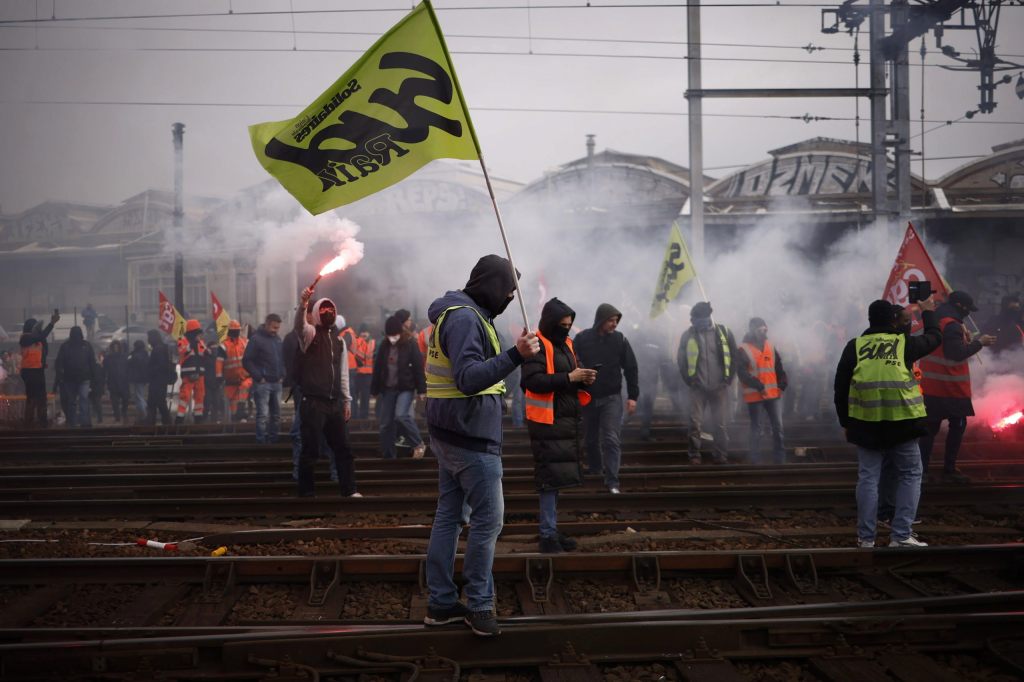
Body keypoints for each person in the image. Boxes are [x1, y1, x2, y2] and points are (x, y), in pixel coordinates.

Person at [423, 254, 539, 637]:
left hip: (453, 433)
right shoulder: (464, 319)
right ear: (491, 285)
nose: (509, 296)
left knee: (450, 517)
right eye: (508, 289)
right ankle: (479, 604)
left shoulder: (463, 314)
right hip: (469, 438)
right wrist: (515, 356)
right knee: (489, 521)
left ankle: (441, 604)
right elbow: (469, 378)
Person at [834, 298, 942, 549]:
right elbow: (935, 338)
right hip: (902, 424)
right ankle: (901, 535)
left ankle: (866, 538)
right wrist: (928, 313)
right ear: (893, 320)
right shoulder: (904, 343)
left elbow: (840, 388)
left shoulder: (855, 346)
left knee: (868, 478)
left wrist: (845, 422)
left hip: (866, 424)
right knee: (910, 474)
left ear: (869, 319)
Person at [521, 298, 596, 553]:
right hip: (546, 421)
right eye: (563, 324)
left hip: (563, 420)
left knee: (556, 479)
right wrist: (570, 377)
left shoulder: (567, 344)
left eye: (569, 324)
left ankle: (551, 530)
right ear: (551, 323)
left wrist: (583, 378)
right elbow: (533, 381)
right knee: (549, 480)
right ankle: (547, 535)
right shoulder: (538, 344)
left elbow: (568, 377)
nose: (567, 328)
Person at [919, 291, 997, 483]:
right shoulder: (952, 325)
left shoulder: (935, 320)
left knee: (929, 430)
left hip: (931, 387)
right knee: (957, 427)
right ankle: (949, 469)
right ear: (960, 307)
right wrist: (979, 343)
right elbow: (955, 354)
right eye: (967, 310)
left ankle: (921, 471)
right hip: (951, 388)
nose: (968, 314)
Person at [294, 288, 358, 498]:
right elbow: (299, 326)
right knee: (310, 450)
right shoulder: (310, 334)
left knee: (343, 449)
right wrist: (303, 304)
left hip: (333, 404)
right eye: (324, 309)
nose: (328, 312)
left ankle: (349, 490)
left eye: (331, 309)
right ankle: (307, 492)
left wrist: (347, 401)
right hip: (313, 402)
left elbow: (343, 375)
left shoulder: (339, 342)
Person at [573, 303, 639, 493]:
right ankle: (595, 470)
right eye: (611, 320)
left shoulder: (619, 340)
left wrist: (633, 396)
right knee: (591, 439)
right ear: (601, 320)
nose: (614, 324)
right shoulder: (582, 339)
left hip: (612, 397)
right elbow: (572, 359)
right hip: (588, 397)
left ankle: (612, 481)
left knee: (610, 438)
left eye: (616, 320)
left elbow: (631, 368)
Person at [677, 302, 737, 465]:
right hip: (698, 387)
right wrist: (690, 381)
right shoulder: (688, 335)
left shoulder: (724, 333)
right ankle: (694, 454)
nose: (693, 322)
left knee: (720, 424)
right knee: (695, 423)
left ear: (707, 317)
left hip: (720, 387)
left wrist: (728, 380)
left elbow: (734, 358)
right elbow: (681, 361)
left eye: (696, 319)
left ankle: (720, 455)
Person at [371, 315, 427, 459]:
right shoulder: (384, 345)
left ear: (400, 332)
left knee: (401, 415)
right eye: (390, 335)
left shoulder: (410, 344)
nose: (392, 338)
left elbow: (418, 367)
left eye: (395, 334)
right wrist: (374, 389)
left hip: (405, 388)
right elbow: (378, 368)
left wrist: (421, 389)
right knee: (385, 424)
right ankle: (389, 455)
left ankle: (418, 443)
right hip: (388, 389)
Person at [736, 317, 788, 464]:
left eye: (765, 329)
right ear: (753, 330)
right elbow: (742, 373)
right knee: (756, 429)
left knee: (778, 428)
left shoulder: (770, 347)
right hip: (755, 396)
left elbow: (778, 368)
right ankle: (755, 459)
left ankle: (780, 459)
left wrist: (783, 382)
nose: (764, 331)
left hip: (773, 395)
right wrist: (758, 385)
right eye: (760, 329)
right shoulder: (743, 349)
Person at [243, 313, 285, 444]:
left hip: (276, 383)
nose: (275, 330)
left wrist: (283, 374)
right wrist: (259, 377)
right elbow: (247, 360)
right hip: (263, 384)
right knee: (263, 415)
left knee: (276, 416)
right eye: (273, 327)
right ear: (267, 324)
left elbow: (282, 359)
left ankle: (273, 441)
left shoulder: (278, 339)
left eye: (277, 328)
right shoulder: (256, 339)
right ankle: (261, 443)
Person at [19, 312, 59, 427]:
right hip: (29, 371)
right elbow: (41, 337)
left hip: (38, 370)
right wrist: (51, 323)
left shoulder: (37, 339)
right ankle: (29, 422)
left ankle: (42, 421)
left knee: (41, 397)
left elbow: (44, 349)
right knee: (32, 397)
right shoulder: (25, 338)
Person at [55, 326, 96, 428]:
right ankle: (85, 423)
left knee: (72, 401)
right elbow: (92, 362)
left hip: (69, 378)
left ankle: (72, 422)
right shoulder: (87, 345)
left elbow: (59, 362)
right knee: (83, 399)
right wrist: (93, 377)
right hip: (84, 377)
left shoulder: (65, 346)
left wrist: (60, 376)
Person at [176, 319, 207, 424]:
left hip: (200, 374)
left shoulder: (201, 342)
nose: (199, 335)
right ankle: (180, 418)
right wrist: (192, 345)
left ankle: (198, 417)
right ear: (193, 332)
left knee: (200, 396)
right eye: (197, 333)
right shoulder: (182, 340)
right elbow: (182, 351)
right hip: (188, 374)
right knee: (185, 396)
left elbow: (205, 353)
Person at [222, 320, 251, 421]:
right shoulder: (224, 345)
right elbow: (219, 362)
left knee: (244, 390)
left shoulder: (244, 342)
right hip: (231, 380)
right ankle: (235, 420)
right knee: (233, 402)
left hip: (245, 377)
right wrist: (219, 376)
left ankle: (241, 412)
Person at [145, 329, 173, 425]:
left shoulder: (158, 349)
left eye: (149, 337)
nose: (148, 340)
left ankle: (161, 423)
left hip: (157, 381)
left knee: (157, 403)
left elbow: (160, 365)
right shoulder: (161, 348)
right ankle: (162, 422)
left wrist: (150, 370)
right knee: (157, 402)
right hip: (160, 380)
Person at [983, 293, 1023, 357]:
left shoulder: (1019, 324)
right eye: (1012, 308)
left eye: (1017, 309)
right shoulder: (993, 322)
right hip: (996, 361)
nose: (1015, 312)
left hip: (1017, 361)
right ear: (1004, 308)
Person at [351, 323, 375, 420]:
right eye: (362, 332)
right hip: (356, 374)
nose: (364, 334)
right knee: (354, 397)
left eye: (366, 332)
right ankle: (355, 417)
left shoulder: (373, 343)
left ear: (369, 333)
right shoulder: (355, 342)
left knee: (365, 398)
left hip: (368, 375)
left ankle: (364, 418)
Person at [105, 340, 130, 423]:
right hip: (113, 381)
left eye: (117, 347)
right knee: (115, 401)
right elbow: (105, 369)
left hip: (123, 381)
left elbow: (127, 367)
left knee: (125, 399)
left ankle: (124, 412)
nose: (116, 348)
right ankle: (117, 415)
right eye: (114, 347)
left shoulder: (124, 356)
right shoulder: (108, 358)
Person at [203, 335, 227, 423]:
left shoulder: (205, 355)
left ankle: (204, 420)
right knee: (217, 402)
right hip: (218, 382)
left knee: (207, 402)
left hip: (207, 382)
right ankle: (215, 420)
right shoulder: (220, 354)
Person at [126, 339, 149, 422]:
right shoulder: (146, 354)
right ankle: (143, 412)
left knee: (138, 396)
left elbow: (128, 362)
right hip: (143, 378)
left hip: (135, 378)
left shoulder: (134, 355)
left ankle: (144, 414)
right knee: (140, 395)